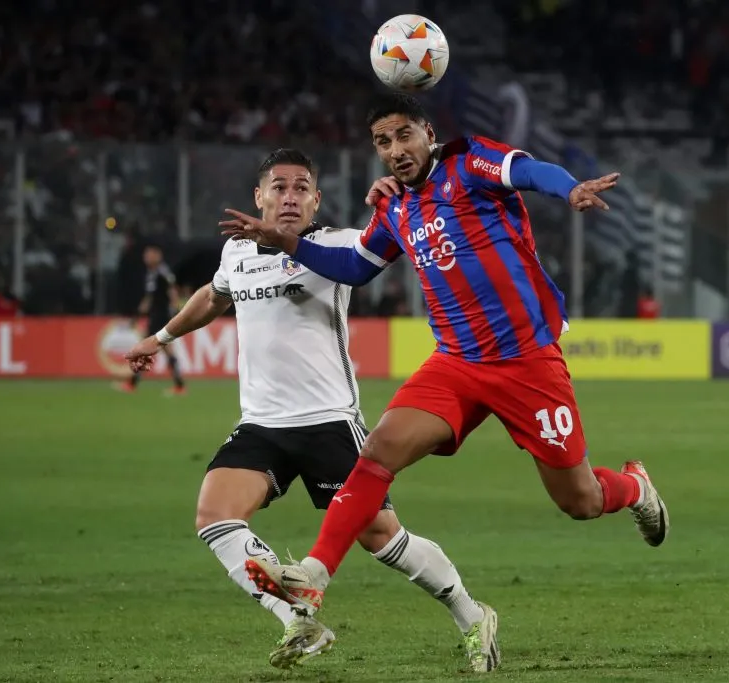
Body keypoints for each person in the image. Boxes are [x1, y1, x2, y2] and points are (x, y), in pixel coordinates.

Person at [220, 94, 670, 636]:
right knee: (376, 453)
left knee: (579, 500)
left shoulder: (467, 165)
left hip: (527, 363)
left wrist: (568, 186)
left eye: (404, 135)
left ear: (427, 133)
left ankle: (635, 488)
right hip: (456, 362)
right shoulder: (393, 207)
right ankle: (313, 575)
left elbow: (526, 170)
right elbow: (356, 267)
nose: (396, 149)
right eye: (383, 142)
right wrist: (287, 241)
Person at [124, 148, 497, 672]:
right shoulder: (236, 251)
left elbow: (390, 244)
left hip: (329, 423)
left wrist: (397, 201)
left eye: (302, 188)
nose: (291, 196)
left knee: (383, 538)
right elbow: (214, 296)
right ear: (259, 197)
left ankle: (472, 614)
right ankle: (298, 620)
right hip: (261, 424)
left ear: (317, 199)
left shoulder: (334, 246)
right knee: (214, 516)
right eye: (279, 187)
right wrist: (160, 337)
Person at [118, 244, 186, 394]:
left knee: (144, 349)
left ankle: (132, 384)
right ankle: (179, 385)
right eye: (145, 255)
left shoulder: (162, 272)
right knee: (167, 351)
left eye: (149, 254)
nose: (146, 257)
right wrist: (137, 316)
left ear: (157, 255)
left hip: (161, 317)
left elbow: (172, 291)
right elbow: (149, 299)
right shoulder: (152, 273)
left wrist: (176, 312)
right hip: (156, 316)